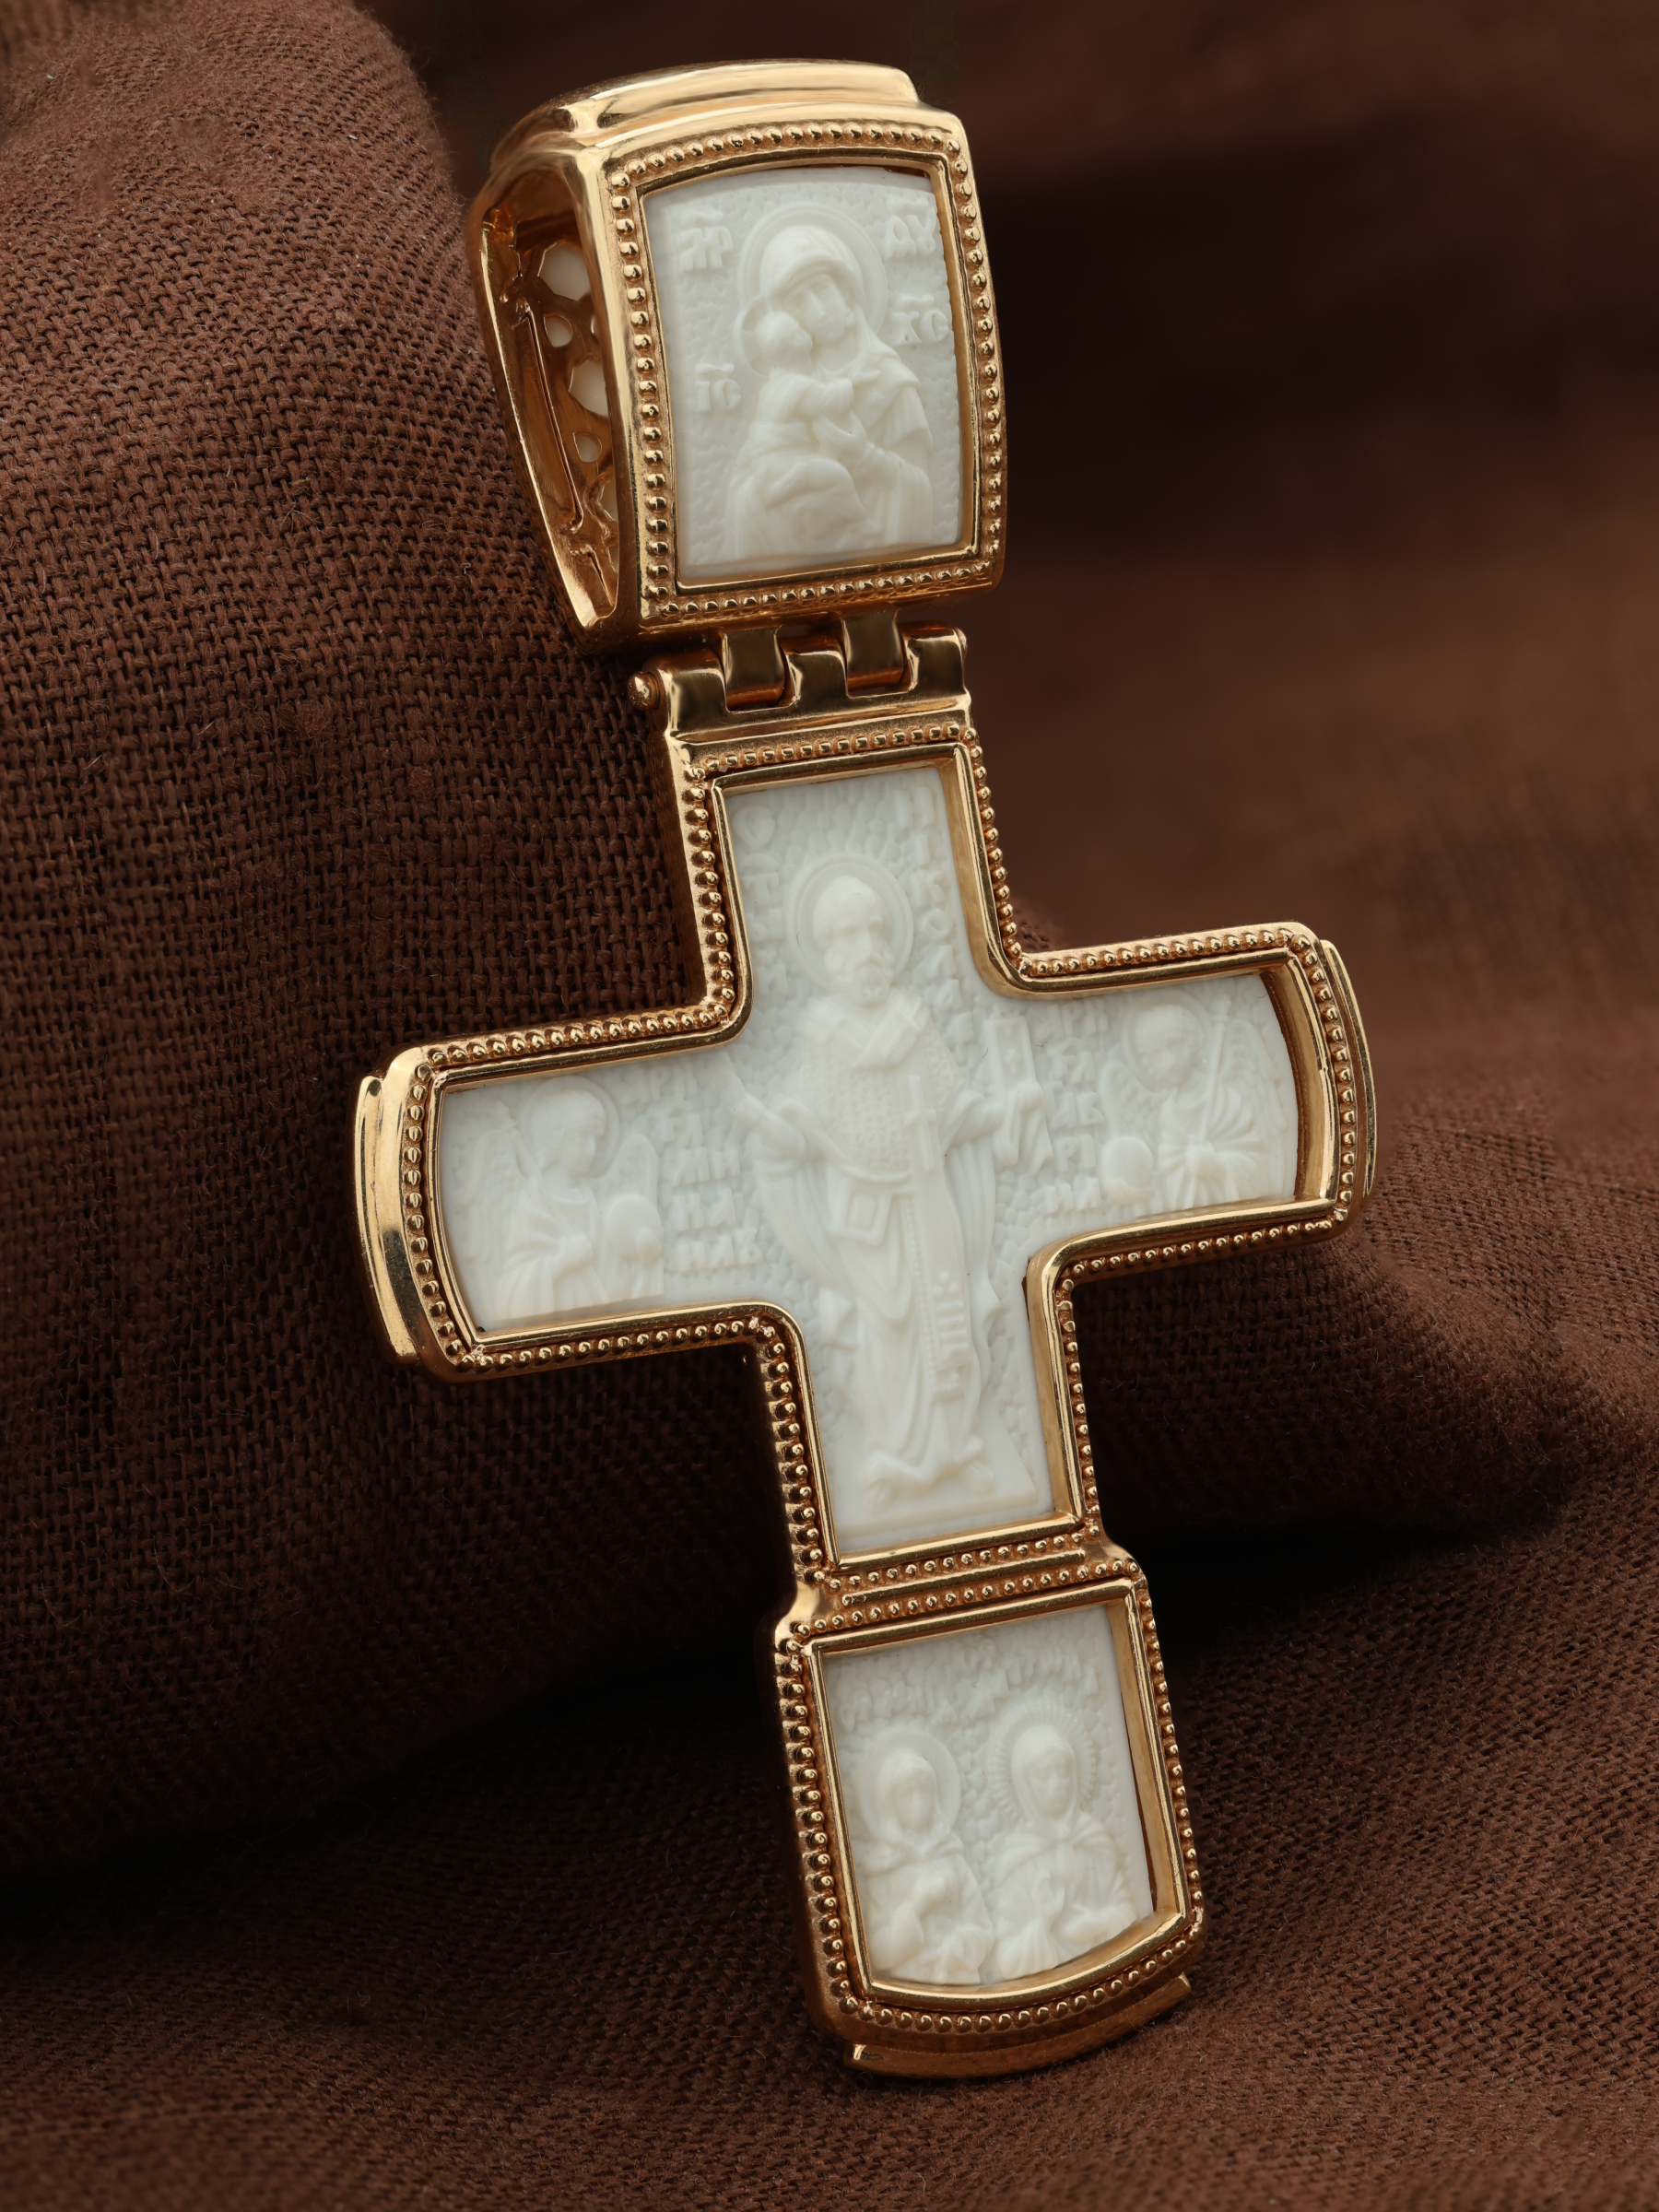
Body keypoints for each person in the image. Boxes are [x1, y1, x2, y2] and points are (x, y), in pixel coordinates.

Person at [725, 870, 1041, 1524]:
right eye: (846, 936)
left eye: (875, 931)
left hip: (929, 1200)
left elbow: (957, 1108)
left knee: (946, 1316)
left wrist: (1004, 1110)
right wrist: (754, 1117)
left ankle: (958, 1447)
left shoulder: (912, 1022)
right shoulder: (821, 1035)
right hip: (868, 1218)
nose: (865, 949)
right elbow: (801, 1131)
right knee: (888, 1329)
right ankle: (895, 1457)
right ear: (823, 952)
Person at [727, 223, 935, 562]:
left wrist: (864, 454)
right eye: (798, 301)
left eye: (822, 289)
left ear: (847, 292)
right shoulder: (788, 389)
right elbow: (745, 495)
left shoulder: (892, 383)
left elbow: (918, 487)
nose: (818, 310)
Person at [990, 1723, 1140, 1979]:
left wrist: (1098, 1923)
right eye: (1043, 1775)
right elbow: (1008, 1961)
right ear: (1025, 1785)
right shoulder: (1018, 1858)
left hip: (1114, 1972)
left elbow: (1130, 1911)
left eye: (1063, 1772)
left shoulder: (1093, 1838)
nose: (1057, 1784)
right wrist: (1043, 1923)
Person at [726, 309, 874, 559]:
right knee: (838, 475)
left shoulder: (776, 384)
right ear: (787, 350)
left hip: (774, 460)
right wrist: (851, 384)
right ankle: (858, 524)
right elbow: (825, 400)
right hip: (784, 462)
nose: (803, 330)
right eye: (796, 331)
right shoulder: (793, 385)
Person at [858, 1742, 993, 1984]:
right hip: (911, 1983)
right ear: (891, 1803)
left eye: (924, 1792)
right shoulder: (884, 1866)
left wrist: (960, 1944)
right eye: (907, 1794)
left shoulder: (950, 1855)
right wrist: (916, 1904)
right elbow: (878, 1951)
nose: (918, 1803)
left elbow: (981, 1926)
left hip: (957, 1975)